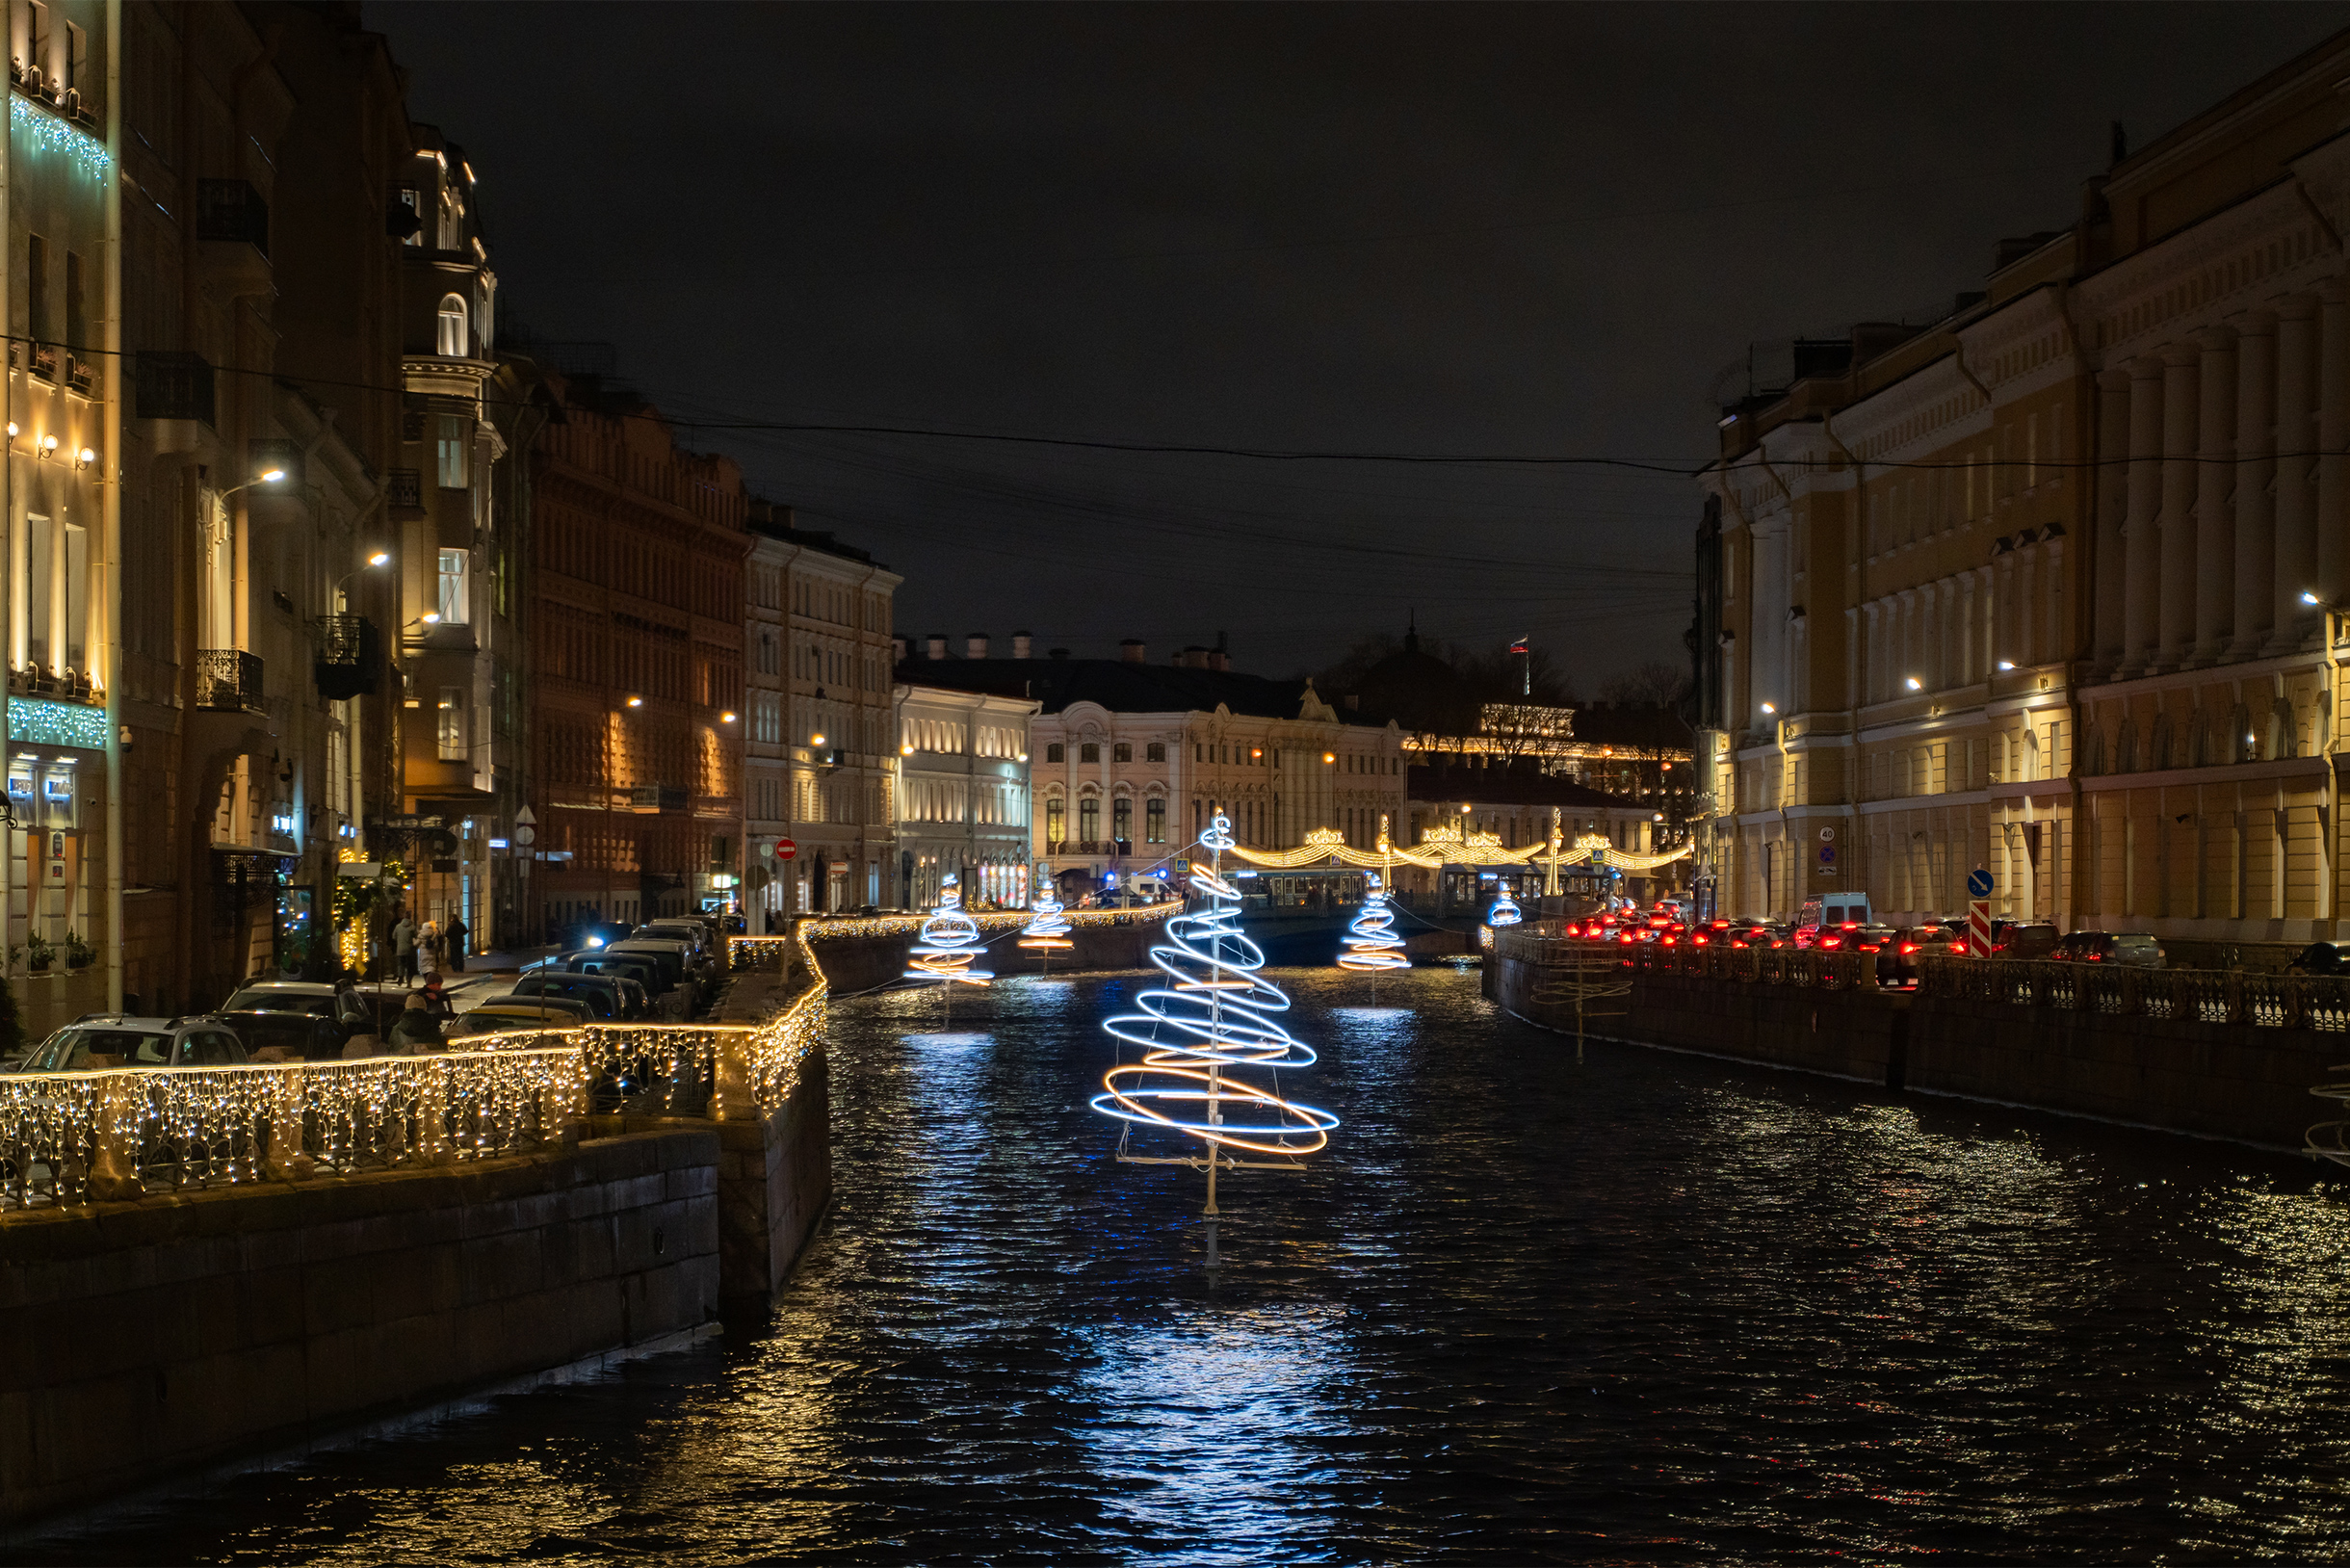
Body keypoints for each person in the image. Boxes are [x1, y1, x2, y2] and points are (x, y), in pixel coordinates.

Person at [390, 910, 420, 983]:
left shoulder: (398, 926)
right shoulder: (412, 927)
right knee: (409, 966)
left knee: (400, 964)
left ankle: (400, 977)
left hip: (400, 949)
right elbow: (417, 936)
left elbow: (394, 937)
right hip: (409, 950)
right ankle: (409, 981)